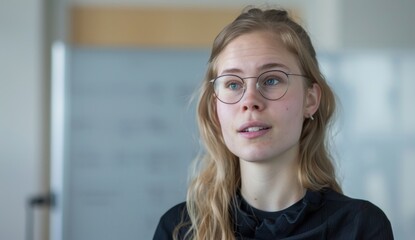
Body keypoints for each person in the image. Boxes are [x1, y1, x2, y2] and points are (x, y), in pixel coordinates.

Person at [153, 6, 394, 240]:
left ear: (310, 100)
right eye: (233, 84)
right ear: (215, 108)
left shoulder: (360, 227)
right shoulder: (179, 230)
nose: (249, 101)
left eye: (271, 80)